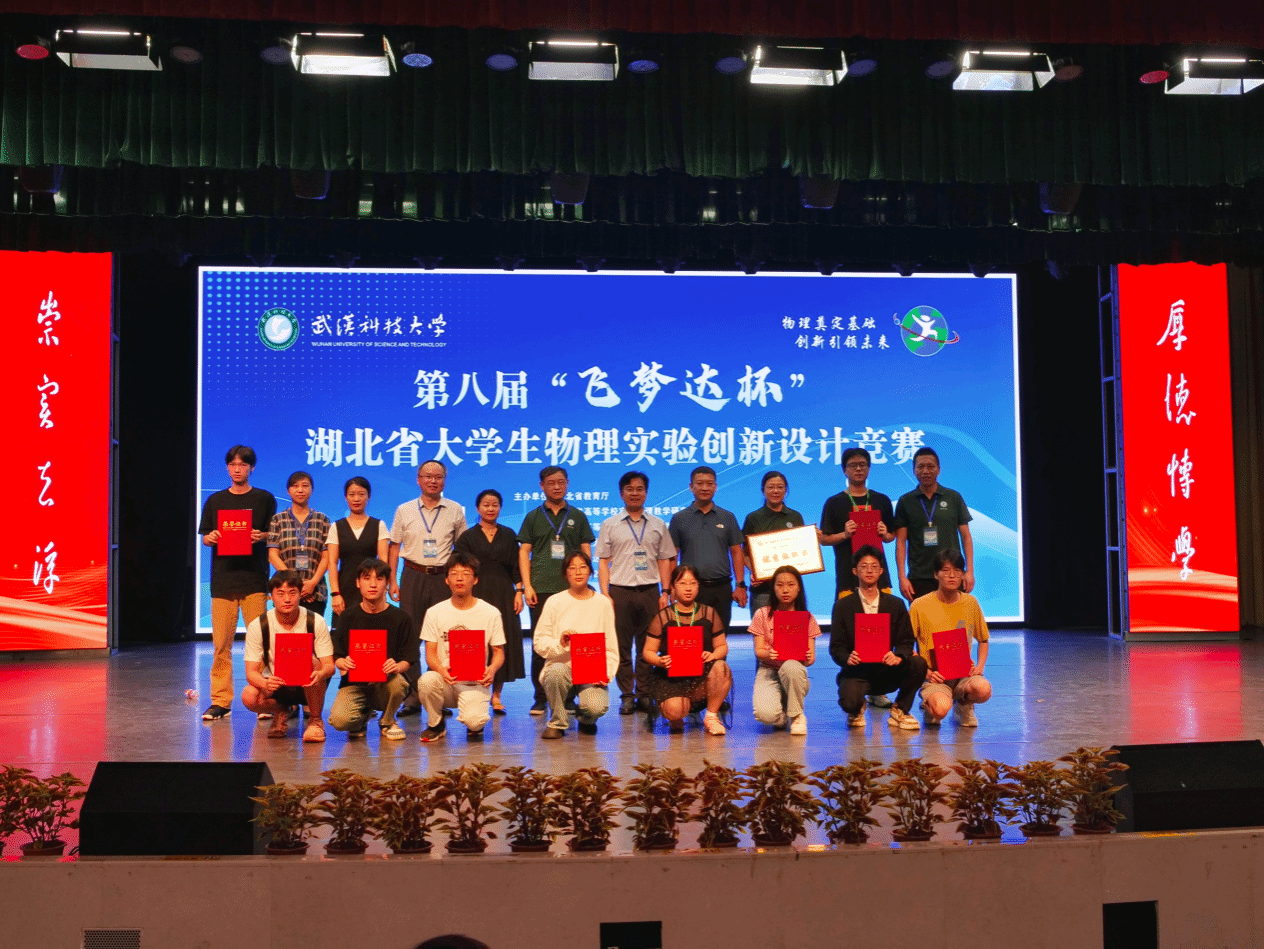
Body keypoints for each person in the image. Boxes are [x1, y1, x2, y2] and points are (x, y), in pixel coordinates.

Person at [197, 445, 277, 721]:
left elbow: (273, 533)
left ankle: (265, 698)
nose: (237, 469)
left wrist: (261, 536)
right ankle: (221, 701)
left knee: (262, 643)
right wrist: (211, 538)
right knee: (221, 645)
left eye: (243, 465)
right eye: (233, 464)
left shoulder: (264, 499)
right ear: (227, 468)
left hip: (254, 579)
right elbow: (205, 536)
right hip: (223, 581)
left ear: (251, 468)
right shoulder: (216, 500)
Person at [389, 459, 467, 713]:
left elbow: (462, 549)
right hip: (413, 574)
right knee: (410, 635)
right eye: (428, 476)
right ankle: (412, 696)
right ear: (418, 479)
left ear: (444, 480)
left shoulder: (455, 510)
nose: (433, 481)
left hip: (442, 577)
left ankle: (440, 693)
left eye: (438, 477)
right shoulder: (404, 509)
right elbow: (394, 546)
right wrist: (392, 580)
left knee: (443, 635)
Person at [596, 471, 675, 716]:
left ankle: (644, 693)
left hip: (650, 591)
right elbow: (603, 562)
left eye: (639, 489)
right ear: (622, 494)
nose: (635, 493)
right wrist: (605, 594)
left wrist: (665, 591)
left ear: (646, 493)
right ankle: (627, 696)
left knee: (647, 646)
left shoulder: (658, 524)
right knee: (621, 647)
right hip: (620, 592)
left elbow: (665, 559)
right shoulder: (610, 524)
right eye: (629, 489)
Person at [518, 465, 595, 715]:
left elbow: (585, 549)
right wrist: (527, 586)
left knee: (574, 643)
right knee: (542, 643)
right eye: (551, 483)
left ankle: (570, 697)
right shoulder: (533, 517)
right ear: (542, 486)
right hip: (541, 588)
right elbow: (524, 552)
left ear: (567, 483)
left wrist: (585, 582)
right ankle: (541, 697)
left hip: (571, 590)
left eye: (561, 482)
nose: (557, 486)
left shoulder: (578, 516)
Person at [829, 546, 927, 730]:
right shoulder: (843, 606)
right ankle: (858, 707)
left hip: (887, 670)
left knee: (918, 663)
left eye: (874, 566)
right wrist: (847, 657)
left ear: (881, 571)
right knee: (849, 702)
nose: (869, 570)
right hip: (857, 671)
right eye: (864, 566)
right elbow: (836, 646)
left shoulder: (895, 604)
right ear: (855, 571)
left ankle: (900, 709)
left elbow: (906, 640)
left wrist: (898, 656)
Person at [417, 553, 505, 743]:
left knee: (475, 723)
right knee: (426, 681)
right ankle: (436, 723)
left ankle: (474, 717)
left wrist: (492, 669)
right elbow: (430, 653)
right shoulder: (434, 613)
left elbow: (499, 652)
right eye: (454, 573)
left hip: (476, 682)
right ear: (446, 579)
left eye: (465, 574)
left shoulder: (490, 613)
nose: (459, 578)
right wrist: (440, 669)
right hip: (446, 680)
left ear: (475, 579)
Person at [327, 558, 417, 741]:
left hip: (386, 682)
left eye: (379, 579)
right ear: (358, 583)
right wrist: (342, 662)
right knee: (339, 721)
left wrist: (397, 666)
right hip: (354, 684)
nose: (373, 584)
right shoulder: (347, 617)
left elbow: (408, 658)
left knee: (398, 684)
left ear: (387, 583)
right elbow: (337, 655)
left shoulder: (401, 618)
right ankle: (361, 717)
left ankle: (387, 721)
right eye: (367, 578)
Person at [239, 571, 335, 742]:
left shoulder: (316, 621)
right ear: (271, 597)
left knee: (313, 663)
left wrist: (320, 673)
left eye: (292, 593)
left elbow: (329, 665)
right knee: (249, 696)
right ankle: (281, 711)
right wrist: (265, 683)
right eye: (280, 594)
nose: (287, 599)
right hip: (277, 684)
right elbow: (251, 673)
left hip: (310, 682)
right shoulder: (259, 625)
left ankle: (315, 720)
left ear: (300, 594)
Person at [454, 490, 525, 715]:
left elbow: (516, 566)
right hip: (476, 592)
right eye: (486, 505)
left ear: (500, 508)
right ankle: (475, 691)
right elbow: (460, 566)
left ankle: (496, 695)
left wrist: (519, 591)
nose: (490, 508)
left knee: (499, 642)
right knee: (475, 641)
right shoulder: (467, 537)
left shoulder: (509, 534)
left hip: (504, 593)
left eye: (495, 505)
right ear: (478, 508)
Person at [533, 552, 618, 739]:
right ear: (565, 574)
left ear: (590, 571)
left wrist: (607, 673)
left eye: (583, 567)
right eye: (572, 568)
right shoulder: (555, 602)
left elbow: (611, 647)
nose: (578, 572)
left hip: (591, 672)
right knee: (555, 673)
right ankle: (557, 722)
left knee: (596, 707)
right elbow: (539, 642)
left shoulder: (603, 603)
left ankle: (586, 719)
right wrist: (560, 643)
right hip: (562, 666)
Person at [641, 564, 732, 736]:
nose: (688, 588)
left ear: (698, 586)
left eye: (693, 583)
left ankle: (711, 717)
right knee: (675, 711)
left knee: (722, 668)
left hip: (700, 674)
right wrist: (660, 661)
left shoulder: (710, 613)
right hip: (670, 677)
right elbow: (648, 652)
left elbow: (722, 646)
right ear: (673, 587)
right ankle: (676, 715)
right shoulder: (662, 616)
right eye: (682, 583)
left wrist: (713, 655)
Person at [908, 549, 992, 727]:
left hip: (963, 674)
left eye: (957, 571)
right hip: (935, 676)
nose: (952, 576)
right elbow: (905, 645)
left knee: (983, 689)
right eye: (946, 571)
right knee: (939, 710)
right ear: (936, 574)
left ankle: (963, 705)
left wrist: (980, 667)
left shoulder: (971, 603)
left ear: (963, 574)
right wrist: (926, 672)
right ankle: (929, 705)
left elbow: (983, 640)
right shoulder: (919, 605)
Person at [668, 466, 746, 628]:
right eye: (699, 483)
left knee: (720, 635)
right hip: (690, 589)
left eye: (709, 484)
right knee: (692, 638)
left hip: (721, 588)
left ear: (715, 487)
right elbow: (672, 556)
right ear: (691, 487)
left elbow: (736, 552)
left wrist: (740, 585)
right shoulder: (679, 518)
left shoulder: (728, 517)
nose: (704, 488)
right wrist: (671, 587)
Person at [894, 447, 975, 601]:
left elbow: (966, 536)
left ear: (939, 470)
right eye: (920, 466)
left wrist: (969, 571)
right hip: (919, 576)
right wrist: (902, 577)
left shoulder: (953, 497)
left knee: (955, 616)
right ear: (914, 471)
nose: (926, 471)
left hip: (952, 574)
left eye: (930, 466)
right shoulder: (906, 501)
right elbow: (901, 542)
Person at [748, 565, 820, 735]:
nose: (785, 590)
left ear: (799, 587)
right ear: (773, 588)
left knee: (791, 667)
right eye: (779, 585)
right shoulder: (762, 614)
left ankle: (797, 715)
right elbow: (759, 651)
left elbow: (810, 660)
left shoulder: (807, 618)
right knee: (766, 716)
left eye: (790, 585)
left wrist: (808, 656)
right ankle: (781, 714)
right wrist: (768, 654)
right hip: (769, 670)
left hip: (794, 671)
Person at [817, 448, 896, 597]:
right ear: (844, 470)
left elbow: (891, 536)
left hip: (879, 578)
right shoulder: (834, 502)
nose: (858, 469)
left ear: (869, 468)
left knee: (882, 612)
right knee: (848, 612)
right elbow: (824, 539)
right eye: (853, 465)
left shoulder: (882, 500)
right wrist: (845, 534)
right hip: (847, 578)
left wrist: (885, 534)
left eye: (862, 464)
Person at [267, 470, 331, 616]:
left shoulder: (322, 520)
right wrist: (295, 584)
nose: (300, 490)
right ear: (288, 491)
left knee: (312, 630)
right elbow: (272, 555)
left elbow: (327, 557)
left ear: (312, 490)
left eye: (305, 486)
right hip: (285, 591)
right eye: (295, 486)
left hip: (315, 592)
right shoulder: (278, 519)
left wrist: (312, 583)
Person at [741, 470, 805, 615]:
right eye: (770, 487)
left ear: (786, 490)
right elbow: (744, 553)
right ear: (763, 490)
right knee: (763, 627)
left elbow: (803, 551)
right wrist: (756, 572)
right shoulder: (753, 518)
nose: (775, 491)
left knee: (791, 628)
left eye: (780, 487)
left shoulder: (795, 517)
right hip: (763, 589)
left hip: (790, 589)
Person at [327, 476, 390, 615]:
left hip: (372, 589)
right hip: (344, 590)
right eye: (352, 494)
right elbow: (332, 563)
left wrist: (383, 592)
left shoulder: (379, 525)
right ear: (346, 497)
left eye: (361, 494)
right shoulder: (336, 527)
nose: (356, 499)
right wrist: (335, 594)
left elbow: (383, 561)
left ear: (369, 496)